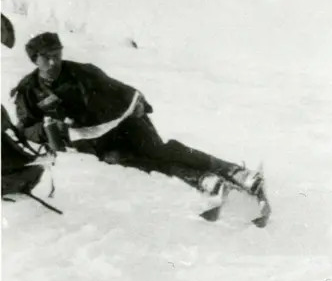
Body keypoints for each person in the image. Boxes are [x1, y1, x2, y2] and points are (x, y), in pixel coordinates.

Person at [10, 32, 262, 199]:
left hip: (126, 124)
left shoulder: (83, 72)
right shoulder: (28, 91)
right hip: (94, 142)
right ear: (35, 60)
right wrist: (45, 130)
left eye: (57, 55)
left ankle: (232, 171)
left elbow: (119, 90)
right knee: (131, 161)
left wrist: (140, 102)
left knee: (157, 151)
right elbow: (25, 127)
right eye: (47, 58)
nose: (54, 62)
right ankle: (201, 179)